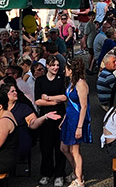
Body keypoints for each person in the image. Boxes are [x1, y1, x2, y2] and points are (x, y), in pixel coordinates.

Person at [34, 57, 67, 186]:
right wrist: (55, 101)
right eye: (53, 65)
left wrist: (48, 98)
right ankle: (46, 172)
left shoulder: (62, 79)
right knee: (45, 146)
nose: (55, 67)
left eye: (57, 65)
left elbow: (64, 97)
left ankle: (59, 173)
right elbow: (37, 100)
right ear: (47, 66)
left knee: (60, 146)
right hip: (46, 116)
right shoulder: (40, 80)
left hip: (59, 115)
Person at [60, 59, 91, 187]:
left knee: (75, 150)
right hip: (70, 118)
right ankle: (76, 171)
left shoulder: (80, 84)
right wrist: (64, 119)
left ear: (71, 69)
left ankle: (79, 180)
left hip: (77, 120)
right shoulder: (72, 83)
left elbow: (83, 106)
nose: (64, 71)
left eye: (66, 68)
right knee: (64, 148)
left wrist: (79, 127)